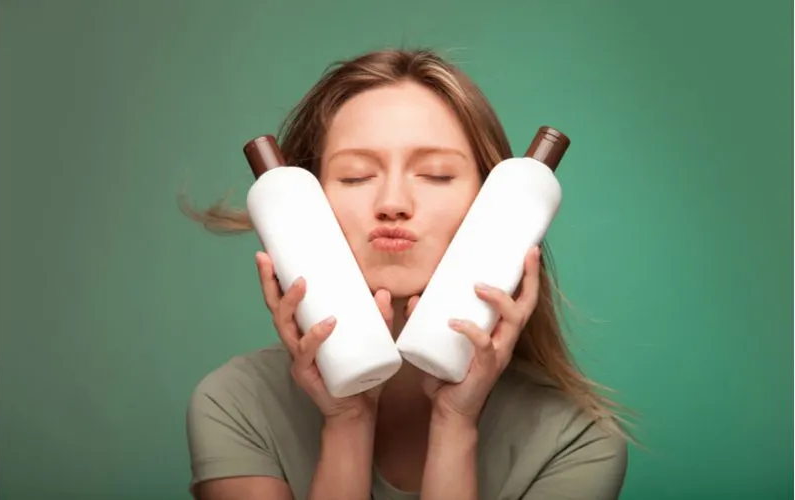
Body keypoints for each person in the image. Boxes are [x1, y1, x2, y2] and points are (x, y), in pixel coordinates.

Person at [181, 48, 630, 500]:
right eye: (356, 176)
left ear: (496, 203)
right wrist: (347, 421)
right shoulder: (235, 406)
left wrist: (456, 425)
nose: (392, 201)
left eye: (435, 175)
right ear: (302, 204)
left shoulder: (577, 442)